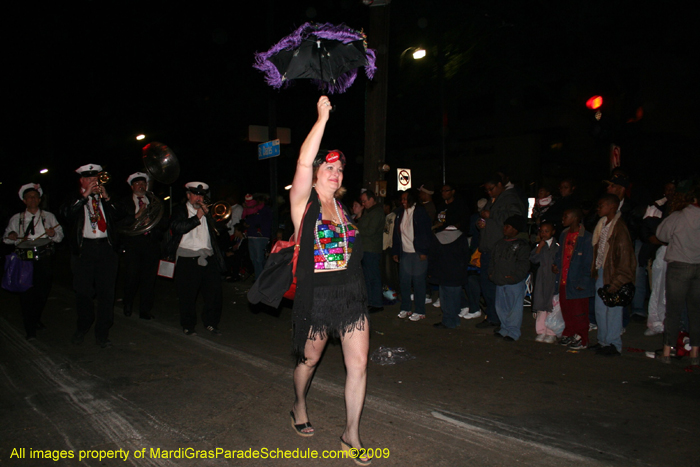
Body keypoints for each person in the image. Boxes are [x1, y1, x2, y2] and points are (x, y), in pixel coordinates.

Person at [288, 96, 370, 463]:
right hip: (317, 295)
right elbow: (304, 159)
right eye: (329, 169)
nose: (335, 175)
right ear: (317, 173)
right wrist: (321, 117)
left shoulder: (345, 210)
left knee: (359, 364)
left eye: (340, 170)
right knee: (309, 361)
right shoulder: (303, 203)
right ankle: (299, 403)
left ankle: (351, 434)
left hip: (351, 294)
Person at [61, 164, 121, 348]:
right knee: (83, 294)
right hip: (84, 251)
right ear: (82, 180)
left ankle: (102, 333)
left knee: (106, 295)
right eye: (90, 179)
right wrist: (84, 195)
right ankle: (83, 326)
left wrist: (107, 197)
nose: (94, 182)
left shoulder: (104, 198)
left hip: (106, 250)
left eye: (96, 178)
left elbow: (121, 215)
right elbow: (65, 214)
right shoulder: (75, 198)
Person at [3, 183, 64, 340]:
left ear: (39, 199)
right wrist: (11, 237)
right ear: (24, 200)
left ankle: (35, 318)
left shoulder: (48, 216)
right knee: (27, 294)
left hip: (44, 259)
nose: (32, 199)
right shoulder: (17, 218)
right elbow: (6, 239)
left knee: (42, 292)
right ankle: (30, 328)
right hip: (25, 260)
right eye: (29, 197)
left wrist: (52, 234)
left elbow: (59, 236)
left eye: (35, 197)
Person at [167, 182, 226, 336]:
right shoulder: (180, 210)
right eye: (195, 194)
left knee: (214, 294)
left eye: (201, 195)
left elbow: (221, 232)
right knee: (187, 295)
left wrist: (211, 216)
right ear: (188, 195)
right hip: (187, 258)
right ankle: (188, 325)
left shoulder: (209, 211)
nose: (198, 198)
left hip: (208, 256)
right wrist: (197, 217)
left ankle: (211, 323)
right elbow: (177, 227)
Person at [655, 186, 700, 365]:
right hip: (699, 265)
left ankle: (667, 350)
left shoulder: (678, 216)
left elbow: (661, 234)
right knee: (696, 311)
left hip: (679, 265)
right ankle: (695, 353)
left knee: (673, 310)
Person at [476, 174, 527, 329]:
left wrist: (492, 215)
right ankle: (493, 317)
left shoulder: (510, 197)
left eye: (491, 189)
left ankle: (500, 320)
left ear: (499, 184)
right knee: (487, 286)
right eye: (487, 190)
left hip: (499, 250)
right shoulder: (495, 200)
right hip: (488, 247)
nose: (489, 193)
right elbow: (487, 218)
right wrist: (482, 223)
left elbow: (515, 218)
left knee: (497, 288)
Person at [590, 194, 636, 357]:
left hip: (614, 273)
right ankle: (603, 341)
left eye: (601, 204)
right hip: (602, 270)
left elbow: (625, 257)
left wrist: (618, 281)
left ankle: (614, 344)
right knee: (601, 309)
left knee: (613, 309)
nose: (598, 207)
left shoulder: (619, 228)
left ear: (612, 207)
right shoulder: (602, 224)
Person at [117, 172, 164, 320]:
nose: (141, 186)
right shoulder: (124, 202)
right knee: (131, 277)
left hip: (151, 244)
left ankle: (145, 309)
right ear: (132, 187)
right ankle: (128, 304)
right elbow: (119, 223)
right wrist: (137, 216)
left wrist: (153, 220)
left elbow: (164, 223)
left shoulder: (154, 201)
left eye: (143, 184)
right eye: (138, 184)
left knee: (149, 279)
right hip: (133, 244)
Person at [553, 209, 595, 349]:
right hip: (564, 279)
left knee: (579, 312)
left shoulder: (586, 237)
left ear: (576, 218)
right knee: (567, 310)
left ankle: (583, 339)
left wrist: (583, 281)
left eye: (566, 216)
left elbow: (589, 262)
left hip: (577, 281)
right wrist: (556, 265)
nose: (563, 218)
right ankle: (570, 334)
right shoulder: (564, 234)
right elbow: (561, 255)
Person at [393, 188, 433, 321]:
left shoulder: (420, 212)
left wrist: (423, 251)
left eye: (405, 199)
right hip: (405, 252)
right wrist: (396, 251)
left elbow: (425, 233)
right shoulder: (400, 213)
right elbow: (396, 234)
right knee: (404, 282)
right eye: (402, 199)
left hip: (417, 253)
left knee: (418, 282)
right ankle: (406, 308)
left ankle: (420, 310)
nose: (403, 201)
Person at [489, 215, 530, 341]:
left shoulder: (521, 245)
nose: (505, 228)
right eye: (505, 226)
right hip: (500, 279)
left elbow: (524, 264)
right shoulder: (500, 243)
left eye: (508, 226)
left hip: (513, 282)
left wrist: (514, 277)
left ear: (515, 230)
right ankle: (504, 328)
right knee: (501, 307)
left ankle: (513, 332)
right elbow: (492, 261)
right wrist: (491, 273)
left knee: (514, 308)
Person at [428, 224, 470, 329]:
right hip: (457, 273)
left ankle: (448, 322)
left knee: (446, 299)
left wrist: (431, 271)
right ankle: (455, 320)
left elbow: (432, 256)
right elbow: (466, 256)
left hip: (443, 273)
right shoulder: (462, 237)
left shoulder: (437, 237)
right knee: (455, 298)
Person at [529, 222, 559, 344]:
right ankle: (541, 331)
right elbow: (533, 260)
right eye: (541, 231)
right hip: (541, 279)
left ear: (552, 232)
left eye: (547, 231)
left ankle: (551, 332)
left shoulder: (557, 246)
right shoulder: (539, 245)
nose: (543, 234)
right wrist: (539, 247)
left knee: (552, 306)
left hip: (553, 279)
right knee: (541, 306)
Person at [357, 190, 385, 313]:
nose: (363, 204)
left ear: (372, 199)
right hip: (366, 248)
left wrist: (356, 229)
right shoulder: (369, 212)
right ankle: (370, 302)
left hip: (372, 249)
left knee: (373, 277)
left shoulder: (377, 212)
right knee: (367, 277)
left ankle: (377, 303)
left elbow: (370, 231)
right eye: (362, 201)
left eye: (365, 201)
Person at [243, 194, 272, 280]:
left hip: (260, 237)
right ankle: (258, 277)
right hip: (251, 235)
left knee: (259, 259)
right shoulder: (253, 210)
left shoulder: (265, 210)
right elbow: (248, 220)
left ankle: (261, 279)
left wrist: (251, 223)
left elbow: (260, 222)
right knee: (253, 258)